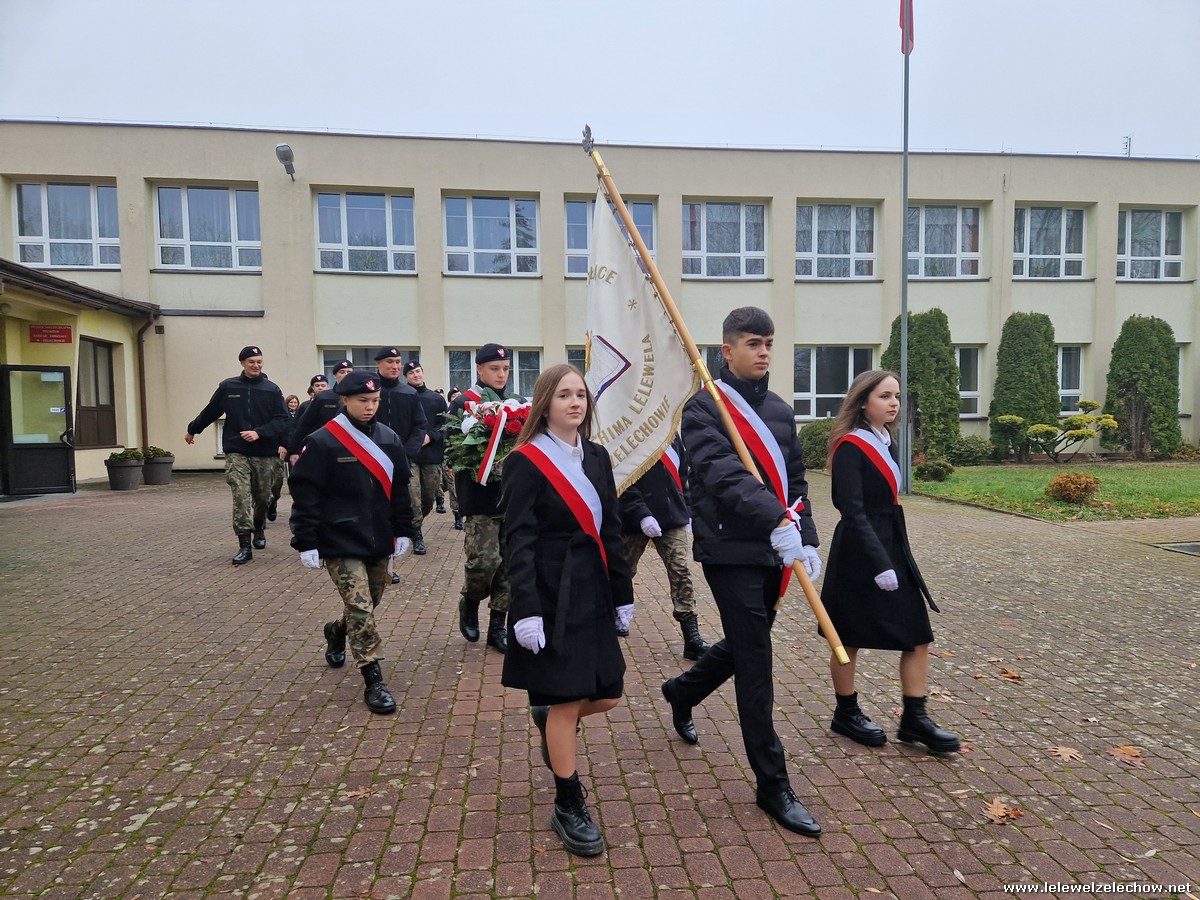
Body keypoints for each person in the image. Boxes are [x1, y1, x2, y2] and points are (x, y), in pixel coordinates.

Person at [660, 307, 824, 838]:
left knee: (745, 640)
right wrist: (775, 519)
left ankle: (683, 691)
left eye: (769, 343)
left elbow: (796, 479)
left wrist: (806, 535)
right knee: (756, 659)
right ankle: (772, 783)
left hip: (776, 548)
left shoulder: (779, 410)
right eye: (754, 343)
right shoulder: (703, 407)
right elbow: (721, 474)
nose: (764, 352)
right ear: (727, 351)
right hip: (729, 548)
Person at [501, 364, 634, 857]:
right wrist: (525, 610)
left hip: (593, 587)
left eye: (580, 394)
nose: (575, 402)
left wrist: (623, 592)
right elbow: (517, 540)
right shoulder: (525, 461)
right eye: (563, 395)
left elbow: (611, 526)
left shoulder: (597, 456)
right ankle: (567, 802)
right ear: (545, 405)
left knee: (609, 693)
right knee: (565, 697)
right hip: (551, 592)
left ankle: (552, 718)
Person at [820, 370, 960, 754]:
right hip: (859, 550)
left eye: (896, 396)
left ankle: (914, 718)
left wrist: (891, 555)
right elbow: (851, 510)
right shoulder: (851, 446)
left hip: (892, 542)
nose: (894, 403)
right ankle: (846, 712)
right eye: (884, 396)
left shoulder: (887, 441)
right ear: (863, 401)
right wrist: (879, 561)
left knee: (917, 633)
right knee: (847, 635)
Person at [288, 370, 416, 715]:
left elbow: (400, 490)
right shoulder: (323, 441)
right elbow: (306, 495)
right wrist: (306, 540)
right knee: (360, 607)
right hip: (339, 539)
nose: (370, 406)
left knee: (368, 603)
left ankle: (336, 630)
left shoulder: (389, 438)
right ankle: (373, 678)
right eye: (362, 401)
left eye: (375, 400)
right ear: (344, 400)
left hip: (378, 538)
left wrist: (405, 530)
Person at [185, 345, 290, 565]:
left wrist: (259, 432)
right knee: (241, 496)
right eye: (252, 362)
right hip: (237, 451)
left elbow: (282, 420)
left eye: (259, 361)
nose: (256, 365)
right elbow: (211, 411)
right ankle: (244, 545)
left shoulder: (271, 389)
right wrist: (193, 429)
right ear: (242, 363)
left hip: (265, 452)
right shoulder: (228, 387)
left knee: (263, 498)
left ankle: (259, 527)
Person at [446, 346, 521, 652]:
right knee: (484, 562)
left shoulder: (515, 403)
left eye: (505, 368)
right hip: (480, 497)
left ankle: (498, 627)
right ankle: (471, 600)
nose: (501, 374)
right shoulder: (464, 402)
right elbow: (451, 447)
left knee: (509, 566)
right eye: (494, 368)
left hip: (512, 497)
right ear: (479, 369)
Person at [618, 437, 711, 659]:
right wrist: (641, 513)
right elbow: (621, 478)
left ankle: (691, 636)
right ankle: (615, 613)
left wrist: (687, 509)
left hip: (671, 516)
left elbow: (683, 476)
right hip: (634, 517)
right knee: (622, 571)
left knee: (680, 571)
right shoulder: (634, 433)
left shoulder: (672, 437)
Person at [373, 348, 429, 555]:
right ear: (378, 364)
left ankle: (416, 532)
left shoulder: (409, 393)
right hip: (372, 457)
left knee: (414, 498)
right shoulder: (370, 391)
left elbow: (419, 425)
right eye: (390, 362)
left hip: (404, 457)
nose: (395, 366)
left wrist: (408, 452)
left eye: (398, 361)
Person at [403, 360, 449, 533]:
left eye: (417, 371)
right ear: (405, 377)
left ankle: (416, 522)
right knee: (413, 496)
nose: (415, 375)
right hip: (410, 456)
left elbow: (445, 424)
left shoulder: (436, 399)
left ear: (422, 372)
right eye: (411, 373)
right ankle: (416, 533)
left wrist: (431, 436)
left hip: (431, 455)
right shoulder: (403, 396)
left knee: (429, 497)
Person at [445, 387, 464, 530]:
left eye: (459, 395)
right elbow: (447, 436)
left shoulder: (468, 411)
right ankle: (457, 515)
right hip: (454, 455)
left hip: (466, 455)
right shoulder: (449, 414)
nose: (457, 397)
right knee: (453, 487)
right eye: (453, 396)